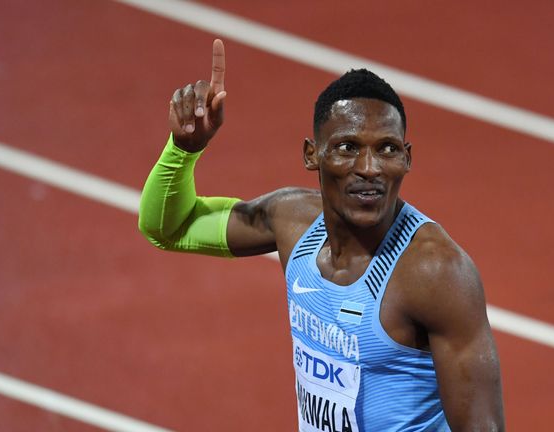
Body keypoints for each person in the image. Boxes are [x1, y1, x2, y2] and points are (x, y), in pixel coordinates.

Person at [138, 39, 504, 431]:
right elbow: (169, 227)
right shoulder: (292, 222)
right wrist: (183, 149)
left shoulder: (436, 273)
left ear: (407, 158)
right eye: (347, 147)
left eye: (387, 149)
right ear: (312, 155)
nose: (369, 168)